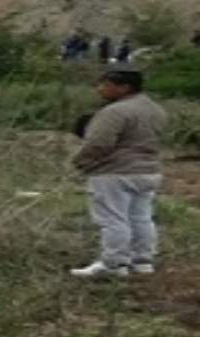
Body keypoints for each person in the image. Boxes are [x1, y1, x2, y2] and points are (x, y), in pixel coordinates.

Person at [70, 69, 168, 278]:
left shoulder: (115, 111)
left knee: (113, 219)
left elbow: (98, 143)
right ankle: (142, 261)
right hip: (148, 170)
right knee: (141, 217)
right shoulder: (155, 109)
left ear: (124, 87)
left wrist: (80, 162)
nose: (100, 89)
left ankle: (114, 264)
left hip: (115, 172)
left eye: (105, 84)